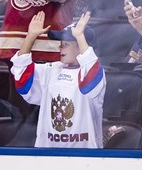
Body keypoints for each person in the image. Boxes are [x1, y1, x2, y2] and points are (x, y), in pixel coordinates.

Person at [10, 11, 106, 148]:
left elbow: (91, 78)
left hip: (85, 158)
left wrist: (79, 36)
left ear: (80, 46)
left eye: (65, 44)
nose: (60, 48)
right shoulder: (51, 70)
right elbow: (22, 79)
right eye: (60, 43)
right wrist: (30, 37)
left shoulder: (95, 74)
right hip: (48, 155)